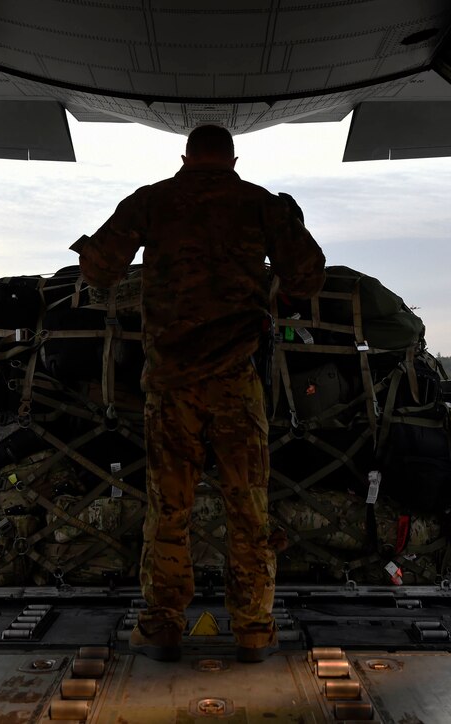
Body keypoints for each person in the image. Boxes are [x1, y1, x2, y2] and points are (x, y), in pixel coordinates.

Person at [73, 124, 326, 663]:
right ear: (234, 159)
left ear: (184, 157)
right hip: (236, 384)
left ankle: (163, 627)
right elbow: (306, 277)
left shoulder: (151, 202)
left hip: (171, 386)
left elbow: (98, 269)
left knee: (169, 509)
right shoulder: (259, 205)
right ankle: (254, 630)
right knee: (248, 508)